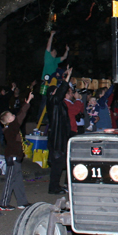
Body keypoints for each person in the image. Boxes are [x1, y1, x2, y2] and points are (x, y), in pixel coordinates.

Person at [0, 92, 33, 211]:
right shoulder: (11, 128)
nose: (14, 115)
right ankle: (3, 203)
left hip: (16, 157)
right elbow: (20, 116)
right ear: (7, 120)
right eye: (11, 115)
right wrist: (27, 103)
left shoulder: (12, 128)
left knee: (17, 180)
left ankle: (22, 202)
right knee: (10, 180)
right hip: (12, 157)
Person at [47, 66, 73, 194]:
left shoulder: (59, 103)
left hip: (62, 137)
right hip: (57, 139)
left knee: (60, 164)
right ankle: (53, 187)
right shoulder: (53, 102)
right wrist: (66, 79)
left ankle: (57, 185)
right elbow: (60, 92)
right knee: (57, 165)